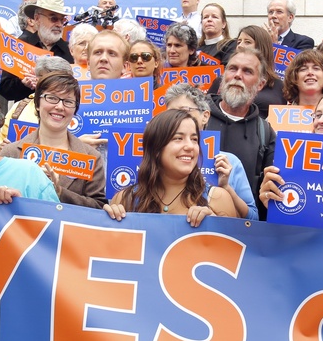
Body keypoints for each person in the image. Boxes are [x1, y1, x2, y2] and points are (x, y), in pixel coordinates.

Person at [103, 109, 236, 226]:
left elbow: (235, 251)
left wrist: (215, 226)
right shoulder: (125, 199)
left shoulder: (218, 199)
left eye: (194, 139)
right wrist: (109, 224)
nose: (190, 146)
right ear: (156, 148)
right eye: (178, 138)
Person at [1, 72, 106, 208]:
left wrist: (59, 192)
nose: (59, 107)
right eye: (52, 98)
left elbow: (98, 207)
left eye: (68, 101)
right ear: (37, 104)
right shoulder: (11, 153)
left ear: (75, 109)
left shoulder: (92, 157)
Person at [164, 83, 258, 220]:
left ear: (205, 116)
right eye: (171, 113)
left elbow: (253, 219)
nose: (177, 119)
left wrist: (225, 188)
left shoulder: (228, 162)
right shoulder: (158, 158)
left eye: (184, 111)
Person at [205, 47, 276, 219]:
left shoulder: (265, 133)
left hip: (242, 230)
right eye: (233, 68)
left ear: (260, 84)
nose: (238, 75)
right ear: (223, 76)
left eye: (247, 71)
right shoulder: (197, 118)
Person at [0, 0, 74, 102]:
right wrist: (23, 84)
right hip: (26, 113)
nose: (59, 24)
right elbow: (5, 90)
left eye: (62, 20)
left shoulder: (70, 51)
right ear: (37, 18)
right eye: (53, 19)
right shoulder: (19, 45)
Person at [208, 25, 285, 118]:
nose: (240, 45)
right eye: (238, 42)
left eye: (247, 42)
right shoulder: (222, 81)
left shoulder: (279, 85)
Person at [0, 55, 73, 147]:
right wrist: (1, 148)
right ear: (37, 79)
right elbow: (1, 139)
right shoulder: (20, 107)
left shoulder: (76, 110)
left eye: (58, 80)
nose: (52, 85)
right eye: (46, 79)